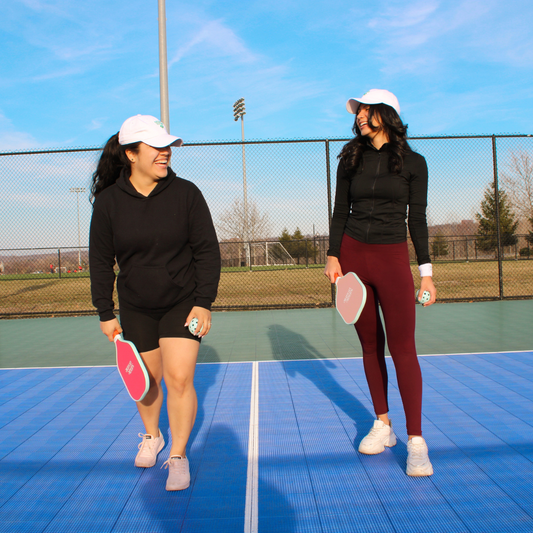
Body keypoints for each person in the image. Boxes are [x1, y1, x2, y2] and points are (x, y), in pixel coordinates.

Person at [89, 114, 221, 491]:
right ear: (131, 153)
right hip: (136, 306)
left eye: (167, 147)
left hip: (183, 302)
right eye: (157, 147)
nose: (166, 153)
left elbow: (207, 252)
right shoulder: (109, 202)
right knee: (146, 383)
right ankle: (152, 436)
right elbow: (100, 260)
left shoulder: (187, 194)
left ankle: (177, 454)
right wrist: (105, 311)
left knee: (179, 379)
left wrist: (203, 302)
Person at [324, 89, 436, 476]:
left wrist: (427, 274)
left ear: (385, 114)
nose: (359, 116)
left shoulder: (414, 163)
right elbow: (340, 211)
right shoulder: (349, 159)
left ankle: (417, 441)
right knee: (370, 345)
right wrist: (333, 256)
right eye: (358, 110)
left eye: (367, 110)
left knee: (404, 348)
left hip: (391, 260)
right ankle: (383, 424)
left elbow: (416, 220)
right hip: (354, 259)